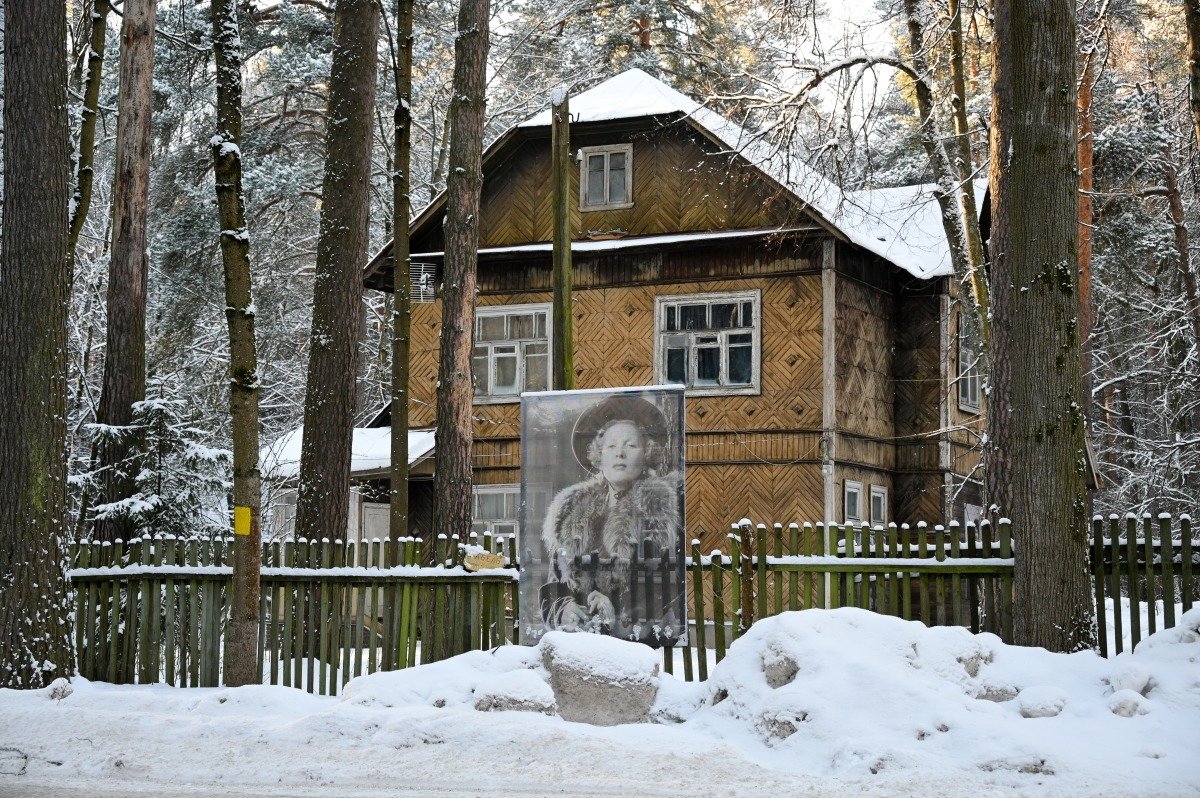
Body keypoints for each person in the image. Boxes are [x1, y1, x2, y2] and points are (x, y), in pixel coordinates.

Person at [539, 395, 681, 640]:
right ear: (598, 454)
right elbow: (554, 581)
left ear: (647, 453)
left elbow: (668, 587)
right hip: (578, 641)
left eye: (631, 446)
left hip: (635, 642)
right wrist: (563, 609)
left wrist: (619, 606)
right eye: (611, 446)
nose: (620, 454)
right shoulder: (570, 509)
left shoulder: (663, 508)